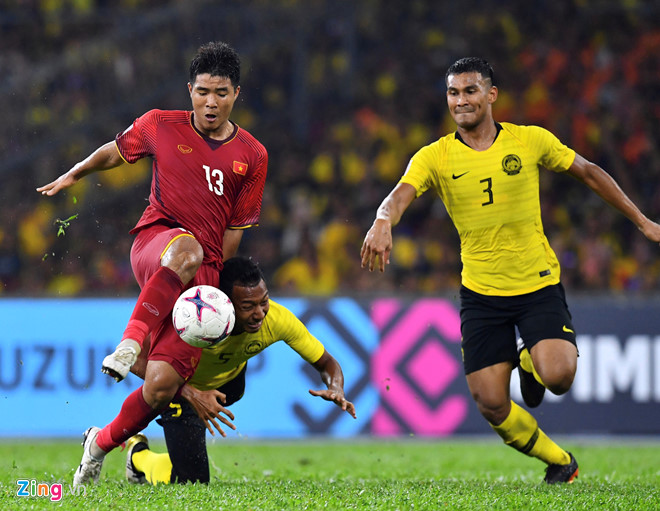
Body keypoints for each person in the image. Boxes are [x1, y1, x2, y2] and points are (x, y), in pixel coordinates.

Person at [360, 57, 660, 484]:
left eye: (469, 91)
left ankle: (529, 360)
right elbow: (399, 194)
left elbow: (590, 174)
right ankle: (561, 462)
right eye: (453, 93)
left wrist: (643, 221)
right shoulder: (436, 156)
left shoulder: (529, 140)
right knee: (492, 403)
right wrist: (382, 220)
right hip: (481, 293)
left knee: (558, 376)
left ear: (491, 94)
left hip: (536, 282)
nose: (460, 101)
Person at [36, 41, 268, 486]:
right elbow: (116, 150)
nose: (210, 102)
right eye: (202, 92)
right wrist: (77, 172)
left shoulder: (253, 156)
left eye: (220, 93)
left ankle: (99, 444)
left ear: (236, 93)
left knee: (160, 384)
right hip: (157, 242)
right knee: (187, 249)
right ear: (190, 90)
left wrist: (216, 291)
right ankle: (130, 342)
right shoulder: (160, 124)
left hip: (201, 275)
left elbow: (235, 230)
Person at [122, 256, 356, 485]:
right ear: (225, 303)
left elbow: (327, 363)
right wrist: (192, 394)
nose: (260, 313)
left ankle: (187, 441)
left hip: (229, 386)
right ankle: (138, 455)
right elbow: (134, 360)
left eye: (263, 301)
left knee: (191, 455)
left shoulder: (276, 318)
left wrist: (335, 387)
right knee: (191, 482)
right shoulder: (190, 318)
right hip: (181, 391)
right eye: (248, 306)